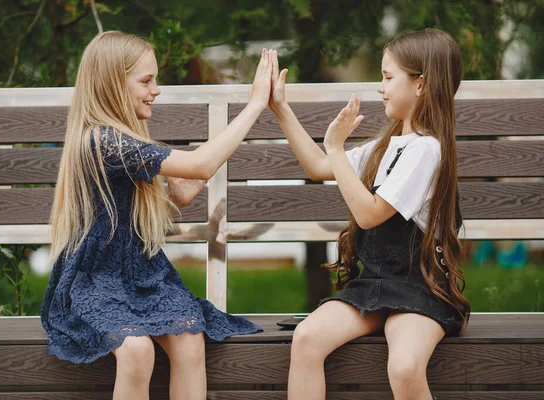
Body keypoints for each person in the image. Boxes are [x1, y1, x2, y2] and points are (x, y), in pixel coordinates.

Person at [40, 31, 272, 400]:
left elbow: (162, 200)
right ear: (113, 84)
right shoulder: (103, 141)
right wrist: (256, 104)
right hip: (95, 279)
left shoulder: (125, 141)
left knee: (189, 337)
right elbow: (200, 163)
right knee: (137, 349)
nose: (157, 89)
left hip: (143, 274)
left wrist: (180, 192)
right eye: (146, 80)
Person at [268, 28, 471, 400]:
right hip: (375, 284)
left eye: (388, 77)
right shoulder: (387, 145)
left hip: (420, 288)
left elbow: (369, 214)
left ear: (421, 84)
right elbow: (318, 166)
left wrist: (335, 145)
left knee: (404, 365)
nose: (381, 87)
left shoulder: (426, 150)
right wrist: (280, 108)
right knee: (307, 338)